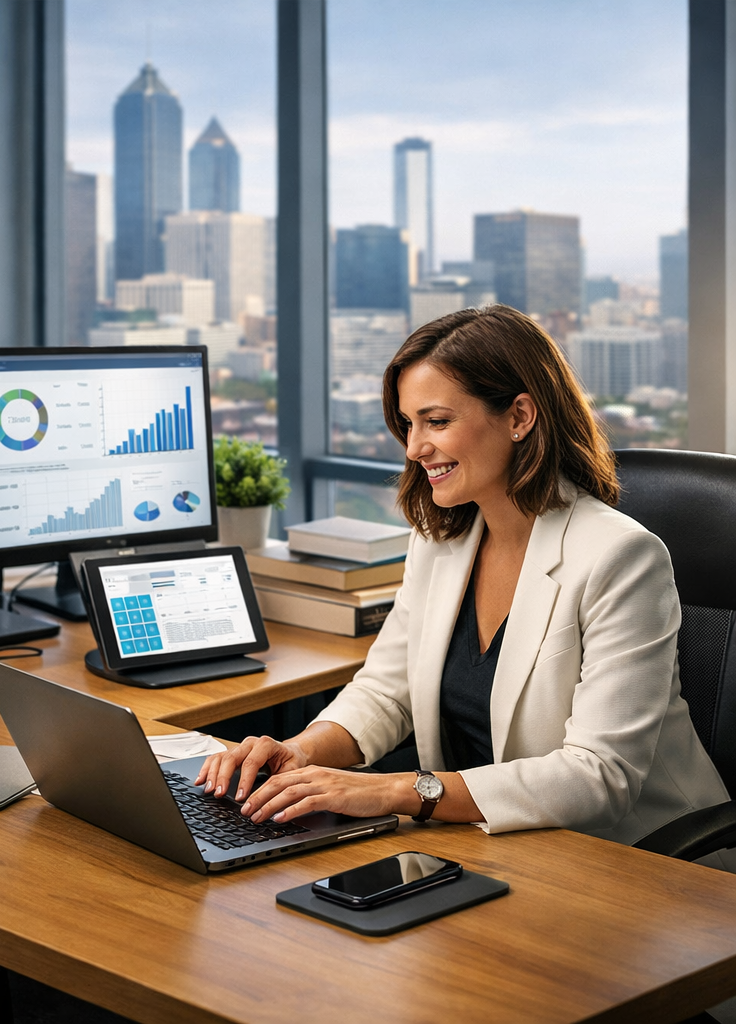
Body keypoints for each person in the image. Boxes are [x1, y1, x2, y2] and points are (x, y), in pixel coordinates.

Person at [194, 304, 730, 854]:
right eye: (408, 423)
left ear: (520, 417)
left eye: (438, 421)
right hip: (492, 843)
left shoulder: (621, 557)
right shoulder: (441, 540)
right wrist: (303, 752)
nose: (414, 448)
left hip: (641, 860)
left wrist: (397, 791)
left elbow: (599, 776)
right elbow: (386, 692)